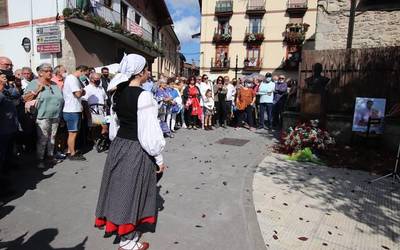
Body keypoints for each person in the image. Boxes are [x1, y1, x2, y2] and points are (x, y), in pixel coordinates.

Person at [95, 54, 166, 250]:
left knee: (120, 187)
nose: (148, 73)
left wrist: (116, 143)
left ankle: (126, 230)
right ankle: (127, 242)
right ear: (140, 72)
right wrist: (159, 158)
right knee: (132, 190)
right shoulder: (143, 95)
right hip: (136, 147)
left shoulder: (116, 92)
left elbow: (115, 125)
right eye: (147, 69)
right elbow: (149, 132)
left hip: (119, 144)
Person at [24, 64, 64, 168]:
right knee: (43, 139)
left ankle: (50, 157)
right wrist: (36, 90)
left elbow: (60, 99)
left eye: (51, 70)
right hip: (42, 116)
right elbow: (25, 98)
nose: (49, 73)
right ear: (40, 73)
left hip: (55, 115)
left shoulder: (54, 84)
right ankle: (40, 160)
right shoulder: (34, 83)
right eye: (46, 71)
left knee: (53, 138)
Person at [63, 65, 87, 161]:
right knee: (72, 133)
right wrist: (82, 91)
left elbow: (81, 92)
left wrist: (82, 91)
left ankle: (70, 150)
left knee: (74, 132)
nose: (86, 76)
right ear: (81, 71)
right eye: (85, 73)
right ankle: (72, 154)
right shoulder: (72, 79)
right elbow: (77, 94)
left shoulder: (75, 79)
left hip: (75, 109)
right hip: (71, 110)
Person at [82, 72, 108, 138]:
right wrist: (88, 115)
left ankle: (101, 139)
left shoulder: (101, 88)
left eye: (99, 79)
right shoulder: (87, 89)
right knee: (103, 126)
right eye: (97, 79)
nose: (99, 80)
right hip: (92, 113)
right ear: (91, 79)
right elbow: (84, 102)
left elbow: (105, 98)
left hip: (102, 112)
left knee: (106, 124)